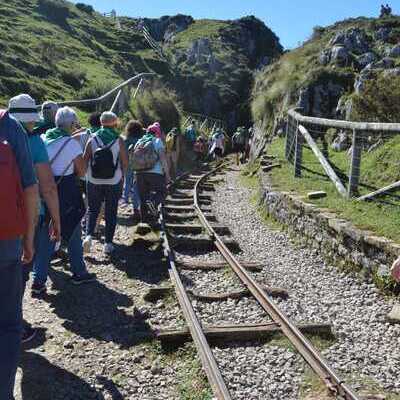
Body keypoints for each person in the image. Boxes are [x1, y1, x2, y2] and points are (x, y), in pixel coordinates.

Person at [8, 94, 61, 342]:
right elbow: (47, 187)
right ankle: (13, 326)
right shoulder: (34, 142)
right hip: (25, 218)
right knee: (18, 273)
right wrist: (57, 221)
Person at [32, 107, 96, 293]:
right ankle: (79, 272)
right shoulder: (71, 144)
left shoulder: (43, 139)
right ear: (71, 124)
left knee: (45, 233)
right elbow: (82, 171)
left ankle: (38, 280)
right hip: (65, 191)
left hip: (43, 189)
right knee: (74, 228)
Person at [0, 109, 38, 400]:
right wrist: (29, 237)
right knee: (9, 322)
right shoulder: (10, 127)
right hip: (6, 240)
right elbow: (30, 188)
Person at [83, 112, 128, 255]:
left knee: (92, 209)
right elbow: (125, 163)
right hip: (113, 181)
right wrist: (123, 178)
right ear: (115, 124)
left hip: (93, 180)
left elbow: (85, 160)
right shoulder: (119, 140)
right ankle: (108, 244)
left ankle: (88, 236)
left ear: (101, 123)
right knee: (111, 211)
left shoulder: (92, 139)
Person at [134, 126, 171, 224]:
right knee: (163, 191)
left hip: (139, 173)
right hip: (155, 173)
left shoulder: (139, 141)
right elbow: (163, 159)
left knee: (143, 198)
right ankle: (153, 203)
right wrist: (167, 174)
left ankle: (144, 221)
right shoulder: (157, 141)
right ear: (157, 133)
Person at [123, 120, 144, 220]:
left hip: (128, 165)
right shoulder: (141, 140)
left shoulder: (126, 140)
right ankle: (136, 208)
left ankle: (125, 199)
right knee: (136, 188)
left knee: (127, 182)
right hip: (139, 167)